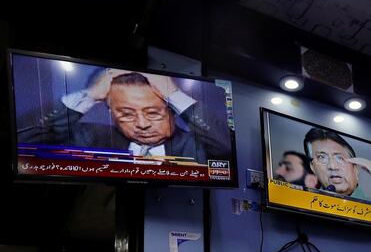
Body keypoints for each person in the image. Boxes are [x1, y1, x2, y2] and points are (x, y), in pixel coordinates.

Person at [17, 68, 231, 164]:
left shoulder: (195, 147)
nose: (142, 124)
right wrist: (90, 95)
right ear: (110, 113)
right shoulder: (90, 139)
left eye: (153, 112)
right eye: (126, 114)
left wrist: (173, 94)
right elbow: (23, 141)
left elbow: (226, 148)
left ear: (172, 110)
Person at [303, 127, 371, 208]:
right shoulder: (305, 204)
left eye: (340, 158)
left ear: (355, 169)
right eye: (322, 157)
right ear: (313, 167)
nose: (332, 166)